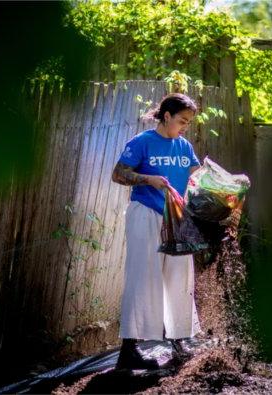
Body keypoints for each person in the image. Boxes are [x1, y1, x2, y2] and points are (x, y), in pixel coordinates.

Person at [111, 93, 202, 369]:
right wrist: (147, 179)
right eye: (182, 121)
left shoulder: (184, 146)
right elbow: (118, 173)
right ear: (166, 116)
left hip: (176, 218)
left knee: (179, 277)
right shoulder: (142, 142)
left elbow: (197, 175)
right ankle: (129, 350)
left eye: (188, 122)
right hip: (146, 215)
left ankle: (179, 342)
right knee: (143, 277)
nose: (185, 127)